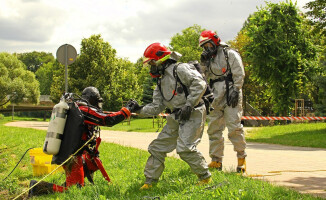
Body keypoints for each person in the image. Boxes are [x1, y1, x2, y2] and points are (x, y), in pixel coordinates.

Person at [28, 87, 140, 196]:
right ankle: (36, 187)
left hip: (71, 152)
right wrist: (127, 109)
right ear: (92, 99)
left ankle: (73, 181)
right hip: (72, 156)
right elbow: (107, 119)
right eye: (97, 101)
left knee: (91, 163)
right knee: (75, 189)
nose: (98, 104)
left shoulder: (77, 108)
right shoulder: (84, 110)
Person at [137, 42, 211, 190]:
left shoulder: (180, 69)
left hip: (193, 112)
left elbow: (200, 84)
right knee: (157, 147)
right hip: (176, 115)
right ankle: (150, 181)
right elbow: (156, 107)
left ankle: (204, 176)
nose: (151, 67)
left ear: (160, 59)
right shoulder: (160, 81)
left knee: (184, 148)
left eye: (151, 62)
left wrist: (189, 104)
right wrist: (138, 110)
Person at [198, 30, 247, 173]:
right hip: (215, 95)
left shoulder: (229, 53)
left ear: (215, 41)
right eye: (204, 47)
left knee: (234, 127)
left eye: (208, 45)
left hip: (231, 92)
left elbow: (239, 72)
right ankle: (216, 160)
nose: (207, 49)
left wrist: (236, 89)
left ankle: (241, 159)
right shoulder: (208, 59)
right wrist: (203, 63)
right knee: (214, 129)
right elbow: (202, 78)